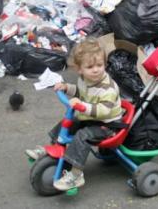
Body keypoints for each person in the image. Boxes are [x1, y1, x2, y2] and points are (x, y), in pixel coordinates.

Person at [25, 38, 123, 190]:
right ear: (80, 69)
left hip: (108, 125)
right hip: (92, 118)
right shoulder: (85, 79)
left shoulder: (107, 88)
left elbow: (104, 110)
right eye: (90, 67)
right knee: (70, 122)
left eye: (99, 65)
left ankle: (76, 174)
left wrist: (82, 105)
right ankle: (52, 148)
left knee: (82, 135)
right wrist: (66, 88)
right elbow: (80, 91)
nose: (96, 69)